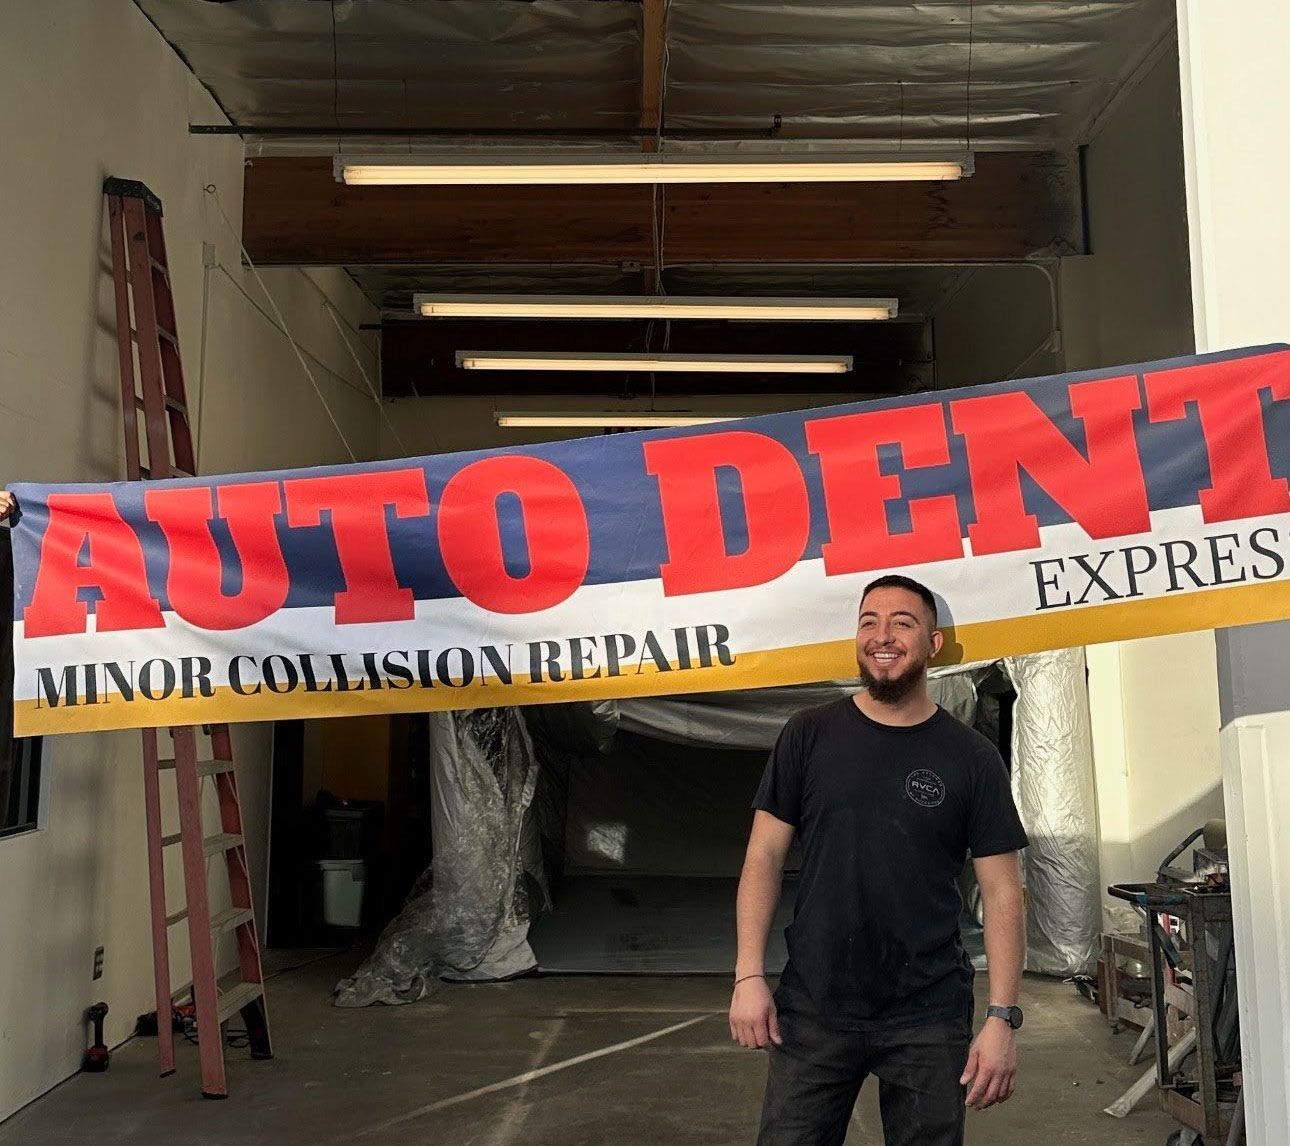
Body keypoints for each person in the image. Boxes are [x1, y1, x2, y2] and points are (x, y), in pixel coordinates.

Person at [730, 573, 1028, 1146]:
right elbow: (763, 856)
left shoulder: (971, 758)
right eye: (869, 622)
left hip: (929, 1014)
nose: (882, 635)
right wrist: (748, 974)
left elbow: (1002, 891)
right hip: (814, 1005)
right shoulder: (809, 735)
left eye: (901, 623)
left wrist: (1002, 1017)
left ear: (933, 644)